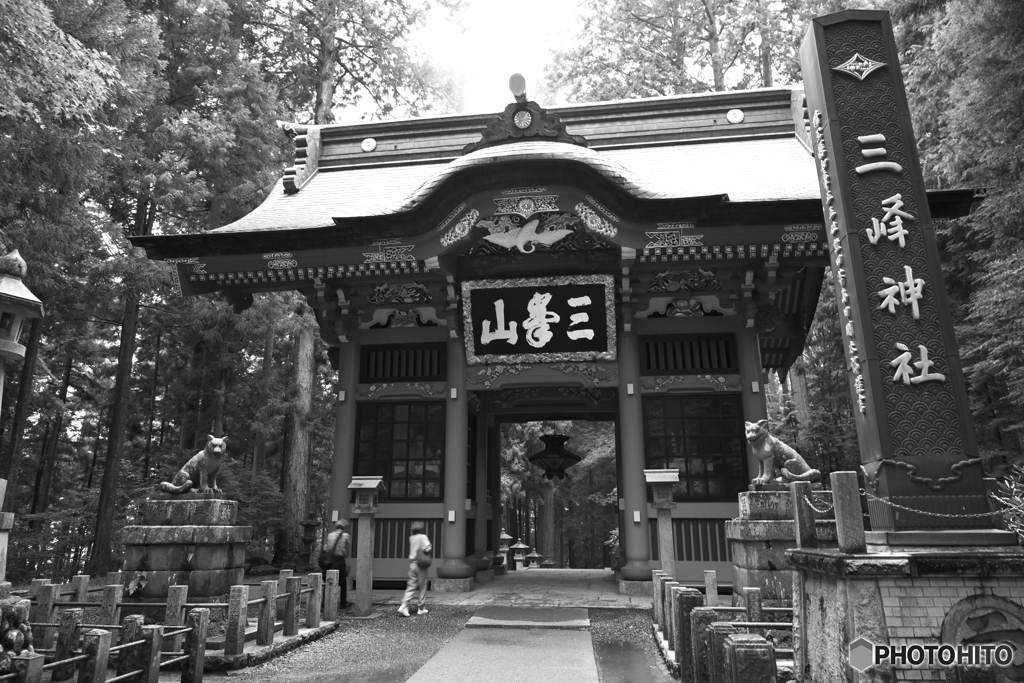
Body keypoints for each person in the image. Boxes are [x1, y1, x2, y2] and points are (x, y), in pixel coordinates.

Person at [397, 521, 431, 617]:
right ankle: (421, 608)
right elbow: (427, 548)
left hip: (412, 564)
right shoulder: (423, 537)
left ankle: (404, 605)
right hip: (420, 564)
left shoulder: (411, 538)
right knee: (423, 586)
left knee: (411, 586)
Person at [324, 519, 351, 609]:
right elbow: (347, 551)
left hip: (331, 560)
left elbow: (328, 548)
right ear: (343, 527)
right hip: (340, 559)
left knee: (329, 580)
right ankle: (343, 602)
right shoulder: (345, 536)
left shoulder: (330, 535)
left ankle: (325, 602)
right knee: (342, 581)